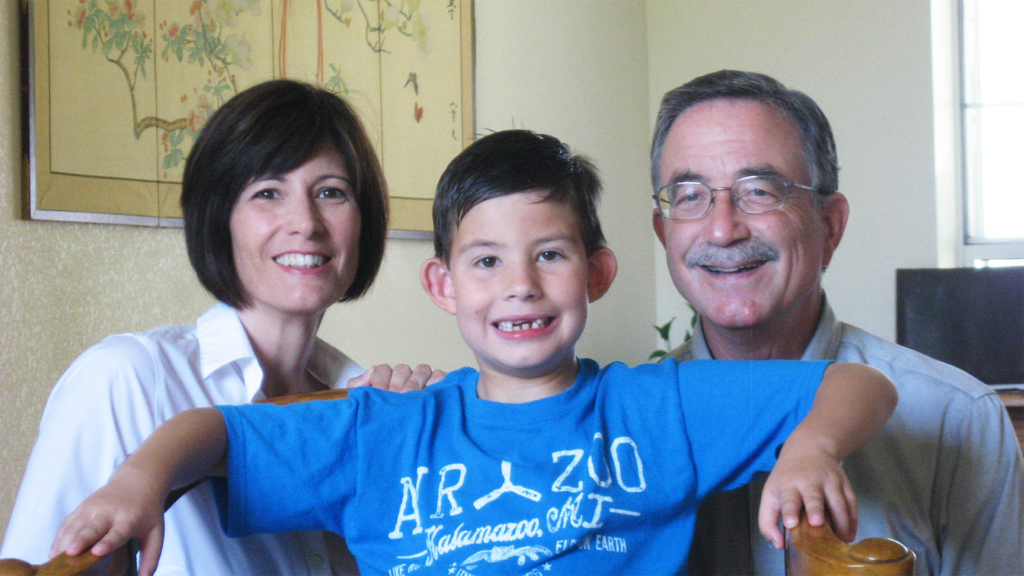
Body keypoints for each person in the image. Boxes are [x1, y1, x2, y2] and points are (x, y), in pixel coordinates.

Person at [50, 129, 896, 576]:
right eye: (485, 261)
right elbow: (218, 434)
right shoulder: (386, 428)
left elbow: (859, 383)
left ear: (598, 272)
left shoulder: (653, 406)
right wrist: (138, 481)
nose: (519, 285)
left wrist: (813, 446)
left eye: (551, 255)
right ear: (443, 287)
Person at [1, 79, 441, 576]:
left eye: (331, 192)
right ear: (220, 218)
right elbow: (38, 564)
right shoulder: (127, 380)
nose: (306, 222)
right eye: (268, 192)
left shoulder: (365, 398)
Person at [650, 69, 1024, 575]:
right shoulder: (621, 428)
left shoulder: (958, 421)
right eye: (690, 195)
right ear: (663, 232)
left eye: (759, 190)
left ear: (829, 225)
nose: (722, 229)